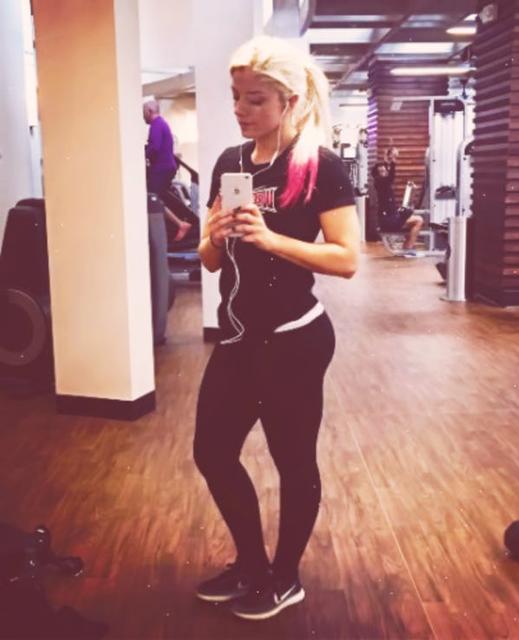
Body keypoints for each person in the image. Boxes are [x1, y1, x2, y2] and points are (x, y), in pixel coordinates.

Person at [193, 36, 359, 621]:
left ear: (289, 101)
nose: (240, 109)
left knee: (293, 461)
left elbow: (347, 258)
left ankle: (285, 577)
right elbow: (209, 261)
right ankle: (251, 565)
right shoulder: (230, 163)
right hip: (237, 339)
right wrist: (216, 236)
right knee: (212, 452)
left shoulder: (319, 166)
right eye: (236, 96)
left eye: (255, 99)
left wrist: (270, 240)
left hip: (295, 340)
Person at [143, 99, 192, 242]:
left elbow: (155, 147)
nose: (143, 116)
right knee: (158, 196)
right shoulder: (162, 124)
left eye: (143, 113)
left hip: (162, 168)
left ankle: (181, 224)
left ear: (149, 111)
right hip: (166, 167)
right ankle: (181, 223)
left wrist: (142, 156)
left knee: (152, 197)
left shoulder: (156, 125)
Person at [372, 147, 424, 253]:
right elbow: (390, 177)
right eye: (381, 171)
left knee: (411, 217)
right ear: (377, 174)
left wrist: (388, 161)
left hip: (390, 218)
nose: (383, 172)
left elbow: (389, 176)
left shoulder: (384, 184)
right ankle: (408, 248)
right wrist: (392, 161)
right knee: (419, 220)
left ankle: (407, 246)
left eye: (384, 171)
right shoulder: (379, 182)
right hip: (389, 221)